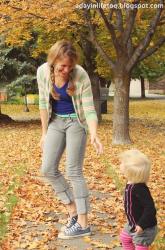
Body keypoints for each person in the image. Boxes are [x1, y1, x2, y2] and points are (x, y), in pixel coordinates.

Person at [37, 40, 103, 239]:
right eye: (62, 66)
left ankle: (83, 223)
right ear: (53, 61)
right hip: (55, 122)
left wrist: (93, 133)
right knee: (47, 169)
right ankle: (73, 210)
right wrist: (43, 133)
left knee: (73, 170)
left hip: (77, 122)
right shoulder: (42, 72)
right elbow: (42, 102)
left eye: (69, 66)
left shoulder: (80, 74)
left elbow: (89, 107)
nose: (66, 70)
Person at [119, 149, 157, 250]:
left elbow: (150, 208)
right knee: (125, 238)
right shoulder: (130, 182)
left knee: (140, 246)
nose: (120, 165)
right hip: (132, 222)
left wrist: (142, 225)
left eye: (122, 163)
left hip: (145, 227)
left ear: (130, 171)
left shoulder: (140, 189)